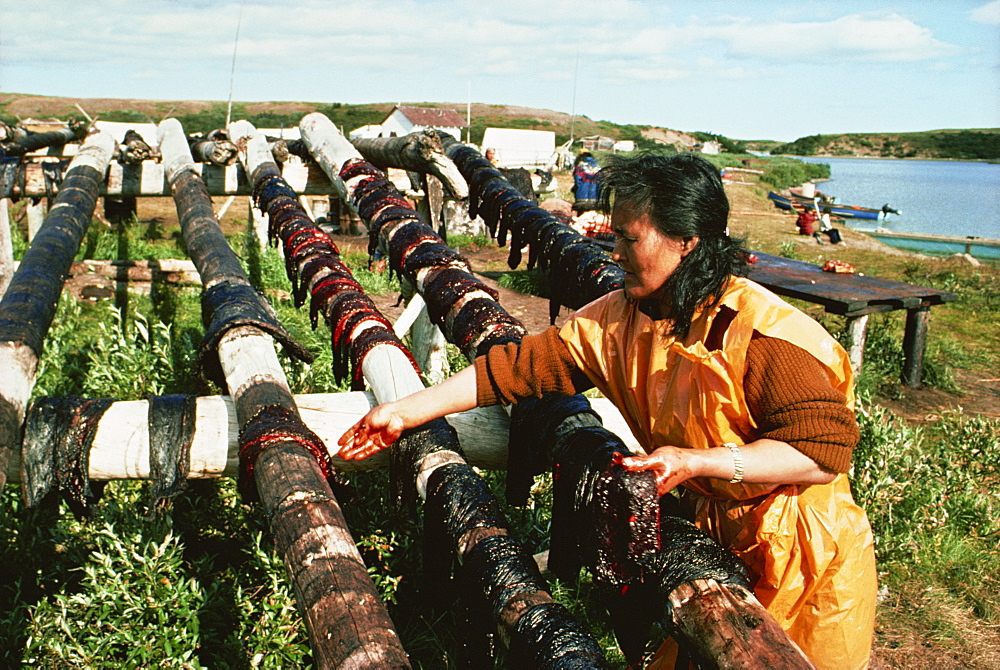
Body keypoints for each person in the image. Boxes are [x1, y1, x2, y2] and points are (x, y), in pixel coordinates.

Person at [339, 153, 877, 669]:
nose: (613, 250)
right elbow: (518, 368)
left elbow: (820, 456)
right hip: (717, 529)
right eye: (613, 234)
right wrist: (405, 412)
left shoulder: (766, 337)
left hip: (805, 545)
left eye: (628, 237)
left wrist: (698, 463)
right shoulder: (623, 316)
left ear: (686, 242)